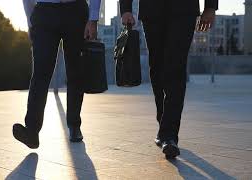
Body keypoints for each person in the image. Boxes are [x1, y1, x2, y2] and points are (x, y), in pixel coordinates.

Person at [120, 0, 218, 158]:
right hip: (152, 10)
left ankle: (169, 135)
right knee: (157, 69)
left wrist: (210, 7)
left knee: (175, 69)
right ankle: (163, 124)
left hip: (183, 10)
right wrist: (125, 9)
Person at [13, 0, 101, 149]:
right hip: (45, 13)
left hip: (75, 10)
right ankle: (32, 132)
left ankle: (74, 125)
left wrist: (93, 19)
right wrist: (30, 21)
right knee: (41, 72)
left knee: (75, 71)